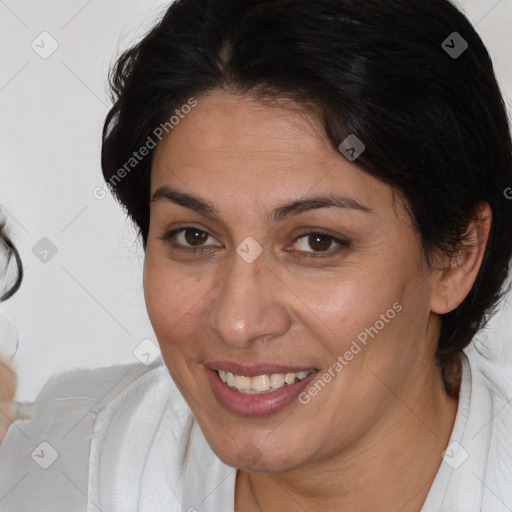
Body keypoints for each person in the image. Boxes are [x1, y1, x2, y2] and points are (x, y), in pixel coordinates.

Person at [1, 0, 512, 510]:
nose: (237, 322)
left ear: (456, 256)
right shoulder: (52, 465)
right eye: (195, 237)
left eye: (317, 242)